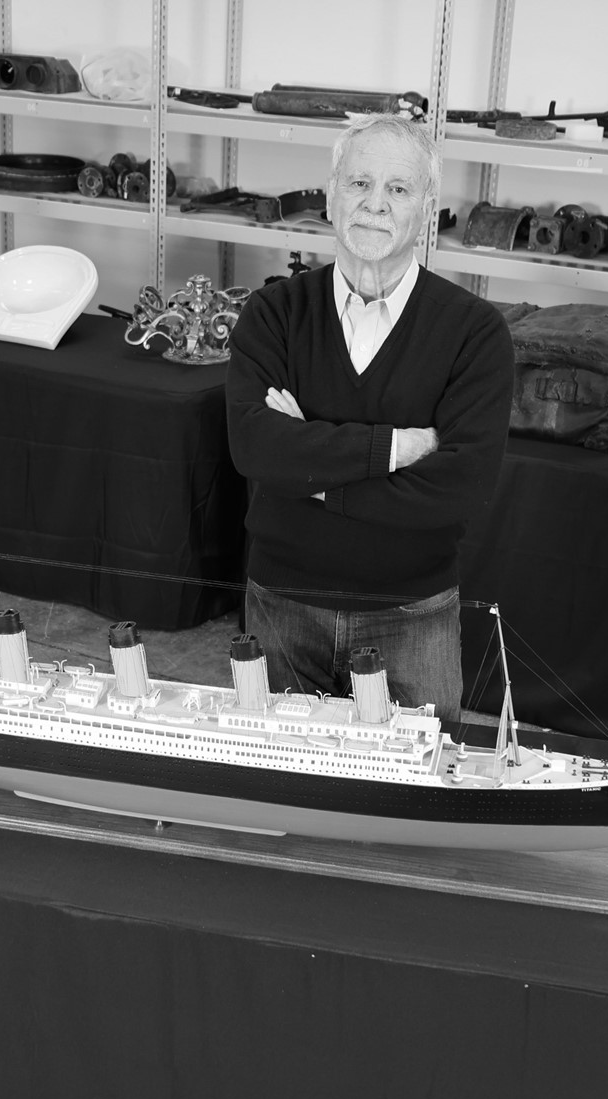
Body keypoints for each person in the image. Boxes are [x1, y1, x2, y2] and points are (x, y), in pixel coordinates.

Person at [226, 112, 512, 722]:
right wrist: (391, 450)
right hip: (283, 603)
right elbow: (256, 449)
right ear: (331, 196)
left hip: (412, 614)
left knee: (413, 798)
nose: (375, 205)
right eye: (358, 184)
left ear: (426, 210)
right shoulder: (274, 315)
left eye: (398, 189)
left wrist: (314, 473)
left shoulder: (474, 332)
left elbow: (461, 487)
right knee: (278, 781)